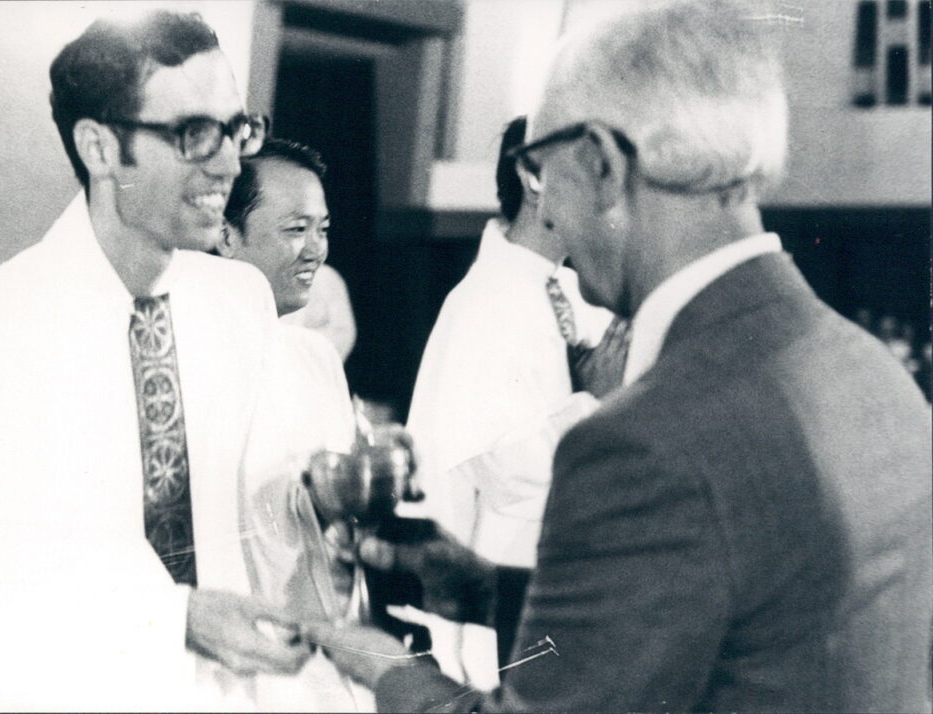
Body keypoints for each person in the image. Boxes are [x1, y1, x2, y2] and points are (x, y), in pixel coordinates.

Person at [303, 1, 933, 711]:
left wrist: (385, 665)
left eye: (542, 170)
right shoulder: (874, 371)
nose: (549, 215)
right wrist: (483, 588)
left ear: (602, 163)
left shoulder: (645, 441)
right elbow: (742, 618)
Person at [0, 11, 310, 711]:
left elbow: (252, 512)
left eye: (237, 128)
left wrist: (315, 498)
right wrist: (174, 618)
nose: (229, 163)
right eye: (193, 134)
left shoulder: (240, 302)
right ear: (98, 147)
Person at [405, 115, 615, 686]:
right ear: (533, 174)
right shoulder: (484, 301)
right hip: (503, 577)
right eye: (590, 173)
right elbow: (505, 468)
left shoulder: (565, 286)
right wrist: (601, 398)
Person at [218, 139, 371, 711]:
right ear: (227, 235)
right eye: (295, 229)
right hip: (232, 652)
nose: (315, 251)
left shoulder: (316, 357)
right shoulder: (194, 359)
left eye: (323, 230)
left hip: (317, 647)